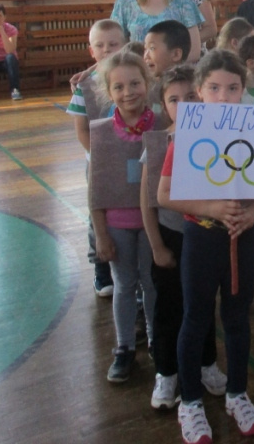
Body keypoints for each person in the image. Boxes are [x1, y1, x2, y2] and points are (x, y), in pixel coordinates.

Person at [158, 50, 254, 443]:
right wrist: (212, 208)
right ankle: (190, 402)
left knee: (237, 318)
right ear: (200, 92)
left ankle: (238, 394)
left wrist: (253, 213)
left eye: (233, 88)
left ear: (243, 90)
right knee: (196, 318)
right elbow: (165, 194)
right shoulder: (186, 136)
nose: (224, 97)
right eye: (215, 88)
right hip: (202, 239)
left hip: (242, 238)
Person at [140, 66, 227, 410]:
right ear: (164, 106)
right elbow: (148, 199)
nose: (185, 104)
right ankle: (167, 372)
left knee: (202, 305)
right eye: (174, 99)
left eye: (191, 96)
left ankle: (206, 363)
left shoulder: (217, 137)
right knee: (169, 307)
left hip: (204, 236)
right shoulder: (158, 143)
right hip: (171, 237)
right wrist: (156, 246)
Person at [88, 48, 157, 382]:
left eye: (135, 83)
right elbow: (96, 190)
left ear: (147, 83)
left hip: (152, 225)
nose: (128, 92)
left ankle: (157, 340)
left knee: (152, 284)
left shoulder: (162, 126)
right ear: (109, 91)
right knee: (124, 284)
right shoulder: (102, 133)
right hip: (117, 226)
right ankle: (125, 347)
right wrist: (101, 234)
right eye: (119, 86)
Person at [67, 18, 127, 297]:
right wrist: (99, 158)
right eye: (100, 46)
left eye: (113, 44)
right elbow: (81, 130)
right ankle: (101, 270)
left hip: (130, 160)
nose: (107, 50)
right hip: (99, 164)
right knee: (98, 215)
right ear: (91, 51)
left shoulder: (132, 81)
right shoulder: (84, 87)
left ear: (124, 45)